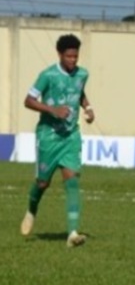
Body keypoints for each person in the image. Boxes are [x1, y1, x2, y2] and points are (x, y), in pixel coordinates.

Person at [20, 33, 94, 248]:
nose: (73, 60)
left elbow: (79, 92)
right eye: (69, 56)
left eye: (76, 56)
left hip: (70, 136)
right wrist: (52, 110)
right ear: (60, 54)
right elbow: (28, 100)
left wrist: (88, 108)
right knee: (43, 182)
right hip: (49, 136)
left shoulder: (82, 74)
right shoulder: (48, 75)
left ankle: (72, 233)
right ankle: (31, 210)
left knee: (72, 180)